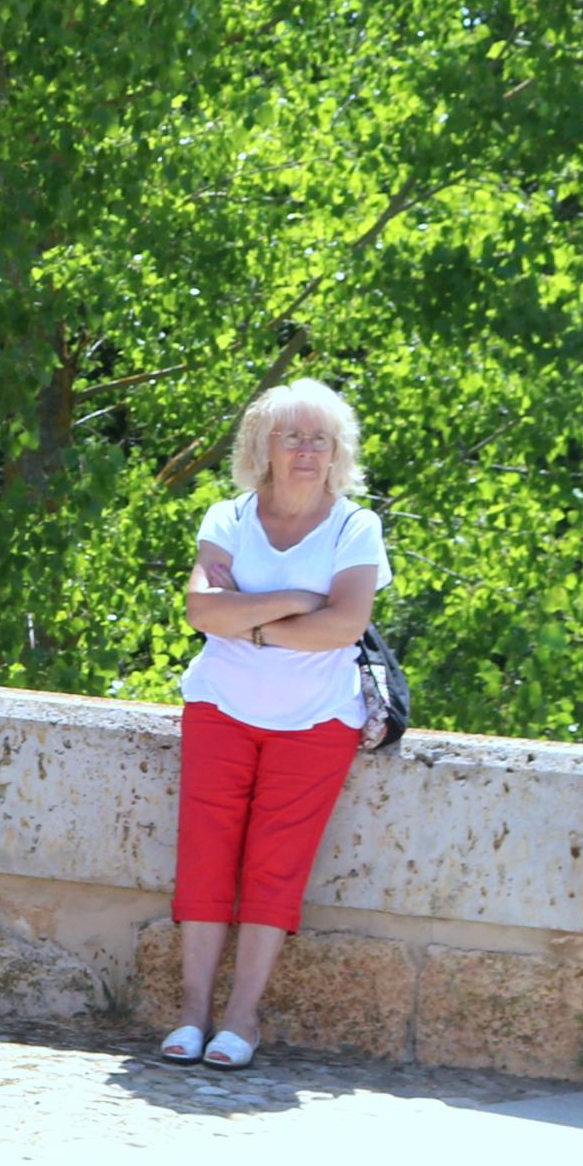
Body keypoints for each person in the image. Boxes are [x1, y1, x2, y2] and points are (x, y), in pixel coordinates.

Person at [153, 378, 385, 1074]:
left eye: (321, 439)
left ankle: (240, 1018)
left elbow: (344, 624)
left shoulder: (355, 527)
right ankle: (191, 1012)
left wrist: (246, 614)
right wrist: (290, 601)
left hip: (316, 721)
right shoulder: (225, 518)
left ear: (337, 452)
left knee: (275, 865)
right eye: (293, 436)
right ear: (264, 446)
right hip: (219, 706)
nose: (307, 451)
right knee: (205, 853)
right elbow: (201, 612)